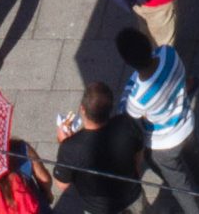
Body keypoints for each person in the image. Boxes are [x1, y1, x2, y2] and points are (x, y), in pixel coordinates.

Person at [115, 29, 199, 213]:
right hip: (185, 124)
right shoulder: (168, 54)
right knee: (198, 161)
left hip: (161, 144)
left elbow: (128, 114)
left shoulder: (138, 98)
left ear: (128, 62)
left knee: (181, 187)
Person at [54, 82, 147, 214]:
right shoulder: (126, 124)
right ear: (111, 107)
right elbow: (138, 157)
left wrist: (65, 143)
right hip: (132, 197)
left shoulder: (70, 148)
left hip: (98, 209)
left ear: (82, 109)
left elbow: (62, 184)